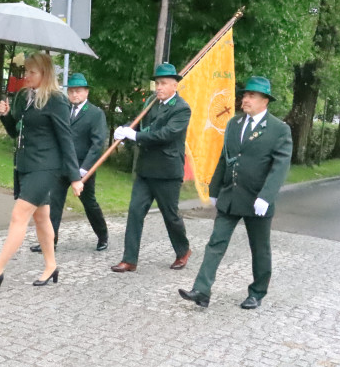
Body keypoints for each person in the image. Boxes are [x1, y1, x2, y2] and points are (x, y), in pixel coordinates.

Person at [179, 76, 292, 309]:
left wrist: (266, 196)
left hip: (257, 199)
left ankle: (257, 292)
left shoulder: (279, 129)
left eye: (252, 95)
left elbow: (280, 167)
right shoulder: (234, 124)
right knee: (215, 242)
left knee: (259, 248)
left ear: (265, 101)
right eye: (245, 95)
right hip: (230, 196)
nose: (245, 99)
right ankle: (202, 290)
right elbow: (225, 157)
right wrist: (214, 188)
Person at [0, 53, 83, 290]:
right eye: (26, 71)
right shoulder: (24, 96)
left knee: (19, 215)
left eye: (32, 72)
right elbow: (17, 132)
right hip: (25, 165)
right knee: (41, 217)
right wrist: (5, 115)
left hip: (46, 167)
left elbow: (66, 139)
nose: (27, 76)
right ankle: (51, 265)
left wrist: (75, 177)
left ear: (45, 74)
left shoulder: (56, 100)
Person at [110, 62, 193, 273]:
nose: (159, 87)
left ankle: (183, 251)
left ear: (175, 85)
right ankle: (129, 259)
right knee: (135, 212)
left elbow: (165, 135)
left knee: (170, 215)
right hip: (146, 170)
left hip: (167, 172)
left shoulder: (182, 109)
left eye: (164, 83)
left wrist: (135, 136)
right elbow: (138, 123)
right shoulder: (151, 102)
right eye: (157, 83)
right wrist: (125, 129)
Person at [29, 72, 109, 253]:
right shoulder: (63, 109)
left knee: (89, 203)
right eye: (71, 91)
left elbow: (97, 144)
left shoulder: (96, 114)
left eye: (78, 91)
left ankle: (102, 235)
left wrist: (84, 169)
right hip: (61, 165)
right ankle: (50, 241)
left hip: (83, 169)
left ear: (86, 92)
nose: (74, 95)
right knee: (54, 203)